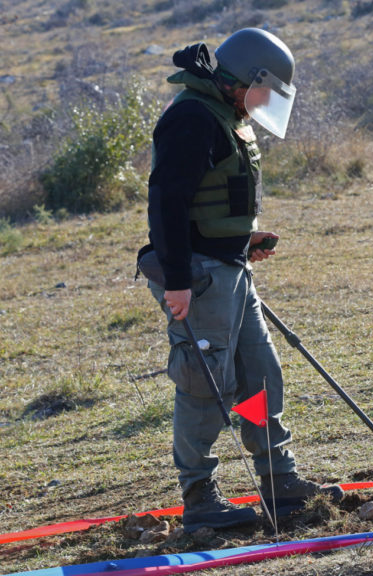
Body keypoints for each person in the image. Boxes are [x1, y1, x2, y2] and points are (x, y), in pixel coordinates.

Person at [137, 28, 342, 533]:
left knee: (259, 375)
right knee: (206, 385)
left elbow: (210, 203)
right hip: (199, 279)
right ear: (244, 80)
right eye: (266, 90)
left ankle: (278, 478)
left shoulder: (225, 114)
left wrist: (242, 242)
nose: (268, 102)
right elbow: (167, 203)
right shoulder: (191, 116)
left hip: (228, 269)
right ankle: (201, 497)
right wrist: (180, 281)